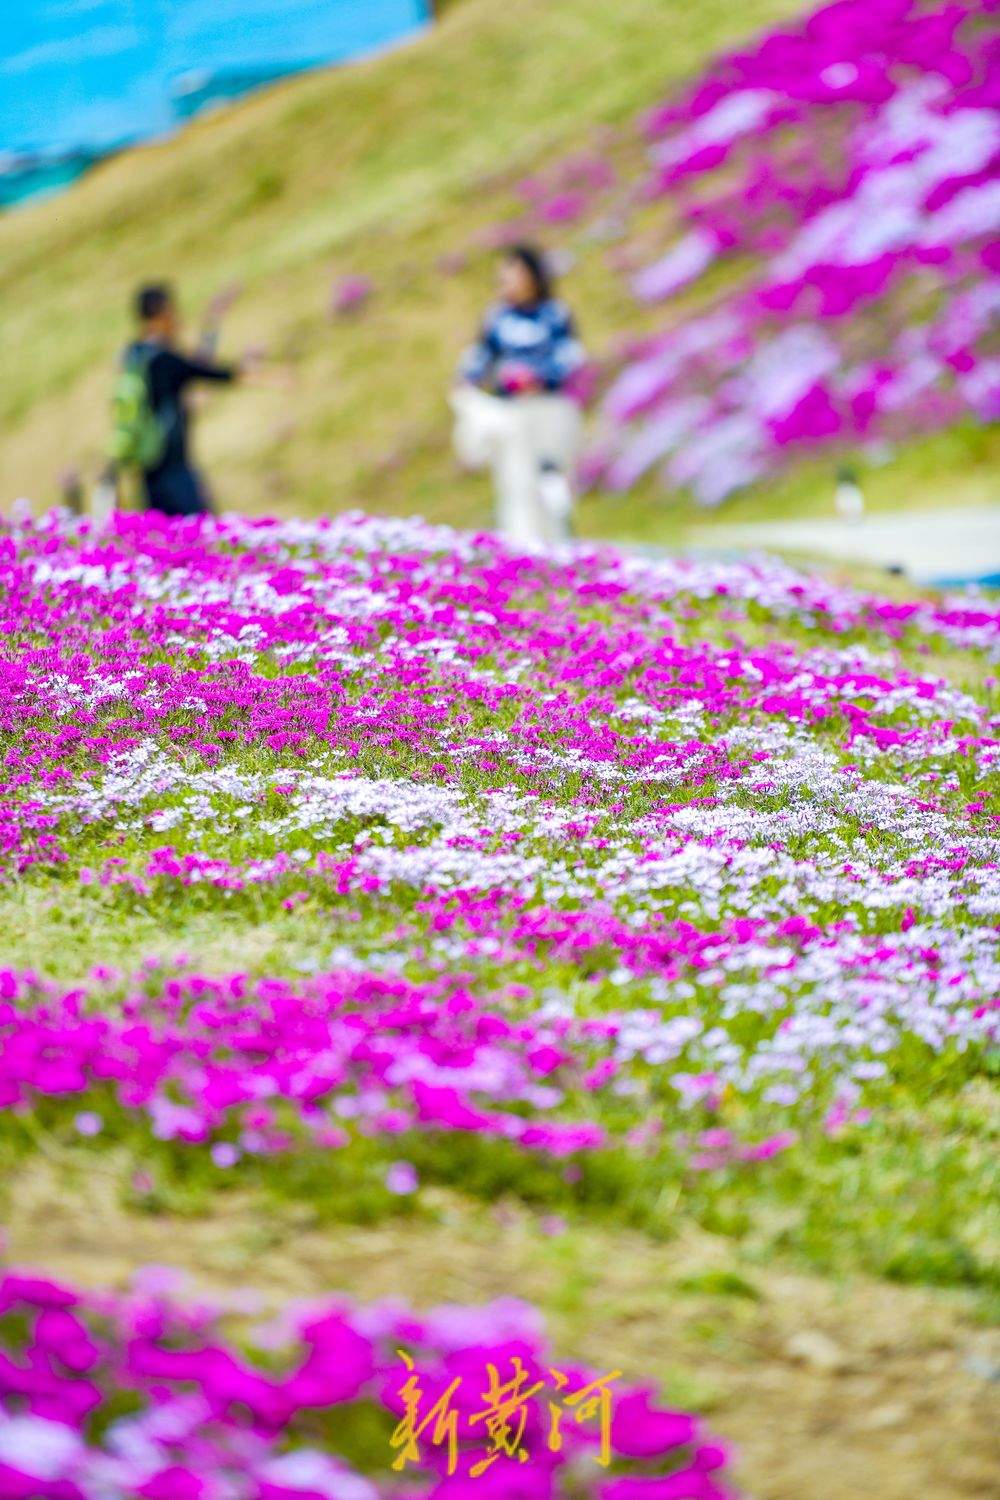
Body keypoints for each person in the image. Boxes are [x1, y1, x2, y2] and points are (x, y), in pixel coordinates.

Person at [451, 245, 586, 547]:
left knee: (551, 478)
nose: (508, 281)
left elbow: (571, 357)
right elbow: (480, 356)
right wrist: (467, 381)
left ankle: (561, 543)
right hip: (513, 412)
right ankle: (523, 549)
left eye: (515, 273)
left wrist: (541, 377)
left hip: (551, 409)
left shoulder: (555, 314)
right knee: (516, 483)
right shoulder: (497, 317)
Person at [117, 282, 244, 518]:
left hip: (147, 464)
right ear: (159, 313)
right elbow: (205, 370)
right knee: (201, 532)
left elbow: (191, 369)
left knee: (162, 537)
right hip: (172, 464)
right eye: (171, 311)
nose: (176, 318)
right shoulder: (163, 358)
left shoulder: (132, 354)